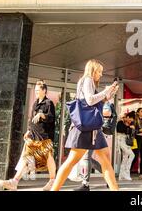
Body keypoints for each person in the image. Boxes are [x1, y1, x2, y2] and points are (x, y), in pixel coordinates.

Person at [51, 59, 119, 191]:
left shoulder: (89, 82)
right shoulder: (87, 79)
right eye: (99, 71)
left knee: (104, 158)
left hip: (92, 128)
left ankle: (115, 189)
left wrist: (109, 93)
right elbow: (89, 100)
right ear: (92, 70)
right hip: (87, 129)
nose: (100, 74)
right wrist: (105, 92)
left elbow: (95, 101)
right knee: (71, 161)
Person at [0, 80, 56, 191]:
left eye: (38, 90)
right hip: (33, 137)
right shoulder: (35, 103)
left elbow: (51, 118)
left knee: (49, 157)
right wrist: (29, 130)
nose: (36, 92)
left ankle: (52, 181)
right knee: (26, 158)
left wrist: (42, 115)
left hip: (45, 137)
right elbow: (31, 119)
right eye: (35, 91)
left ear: (44, 91)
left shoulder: (49, 103)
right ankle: (14, 182)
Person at [74, 98, 118, 191]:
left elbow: (107, 113)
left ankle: (86, 184)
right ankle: (109, 178)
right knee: (89, 158)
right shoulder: (91, 100)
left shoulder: (102, 102)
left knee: (87, 157)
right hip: (90, 130)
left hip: (95, 131)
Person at [116, 111, 136, 181]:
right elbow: (121, 129)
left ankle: (121, 175)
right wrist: (129, 128)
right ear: (127, 117)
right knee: (132, 155)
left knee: (125, 157)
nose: (130, 121)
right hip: (120, 140)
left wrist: (130, 128)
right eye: (130, 120)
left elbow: (131, 132)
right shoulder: (120, 122)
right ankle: (126, 173)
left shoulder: (127, 124)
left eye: (131, 121)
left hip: (125, 141)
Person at [131, 108, 142, 180]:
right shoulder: (135, 120)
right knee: (135, 156)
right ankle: (128, 171)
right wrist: (139, 130)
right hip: (137, 139)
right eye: (141, 111)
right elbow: (132, 130)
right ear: (138, 113)